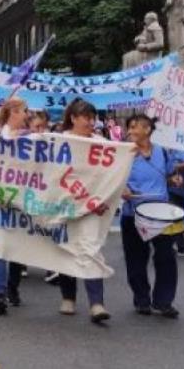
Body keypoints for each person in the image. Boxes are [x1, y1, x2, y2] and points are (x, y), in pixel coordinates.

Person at [120, 114, 184, 318]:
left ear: (148, 130)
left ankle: (163, 301)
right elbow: (114, 177)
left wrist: (174, 179)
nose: (131, 131)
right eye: (130, 127)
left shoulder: (161, 152)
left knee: (166, 257)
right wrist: (123, 187)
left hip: (160, 215)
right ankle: (142, 299)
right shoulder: (123, 153)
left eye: (135, 127)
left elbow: (169, 175)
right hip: (132, 213)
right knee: (136, 259)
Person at [57, 98, 111, 323]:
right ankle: (68, 297)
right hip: (67, 203)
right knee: (66, 249)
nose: (91, 122)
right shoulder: (60, 141)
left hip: (94, 206)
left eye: (93, 118)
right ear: (73, 118)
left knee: (91, 250)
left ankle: (97, 304)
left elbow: (112, 173)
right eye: (87, 118)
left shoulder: (103, 143)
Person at [0, 97, 29, 315]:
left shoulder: (31, 138)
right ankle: (0, 293)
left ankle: (12, 286)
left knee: (18, 245)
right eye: (24, 110)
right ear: (13, 112)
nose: (26, 115)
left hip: (23, 198)